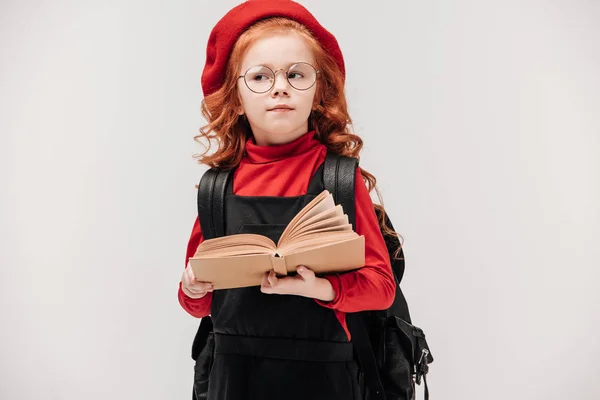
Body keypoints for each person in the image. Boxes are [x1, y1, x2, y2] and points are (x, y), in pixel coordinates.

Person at [179, 1, 397, 399]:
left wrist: (322, 288)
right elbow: (197, 303)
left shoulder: (339, 179)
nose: (280, 87)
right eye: (260, 76)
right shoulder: (217, 190)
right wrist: (192, 289)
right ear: (235, 100)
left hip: (324, 376)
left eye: (296, 74)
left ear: (319, 93)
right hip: (236, 375)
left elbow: (382, 288)